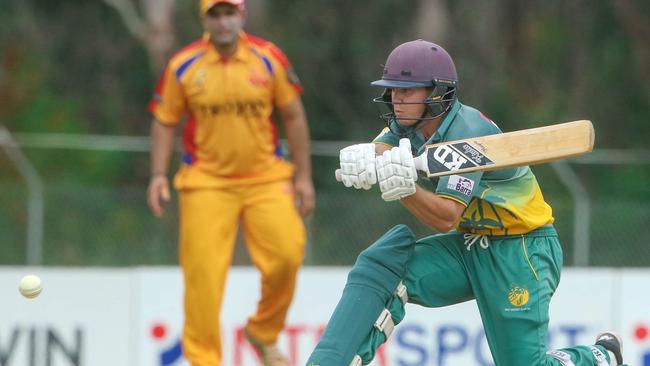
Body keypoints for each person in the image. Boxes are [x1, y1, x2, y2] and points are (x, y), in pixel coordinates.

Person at [306, 40, 626, 366]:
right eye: (392, 91)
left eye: (407, 91)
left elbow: (446, 217)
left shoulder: (469, 135)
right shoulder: (407, 127)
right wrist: (365, 158)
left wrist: (404, 187)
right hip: (469, 246)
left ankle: (599, 357)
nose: (396, 100)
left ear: (437, 93)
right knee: (385, 269)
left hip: (522, 250)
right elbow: (382, 151)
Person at [146, 0, 315, 365]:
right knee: (203, 279)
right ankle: (204, 360)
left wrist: (303, 177)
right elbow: (164, 120)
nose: (224, 22)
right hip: (206, 182)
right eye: (215, 14)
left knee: (287, 254)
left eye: (230, 13)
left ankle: (264, 332)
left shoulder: (268, 58)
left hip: (266, 178)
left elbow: (293, 116)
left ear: (243, 15)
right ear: (203, 18)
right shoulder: (184, 65)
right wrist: (158, 175)